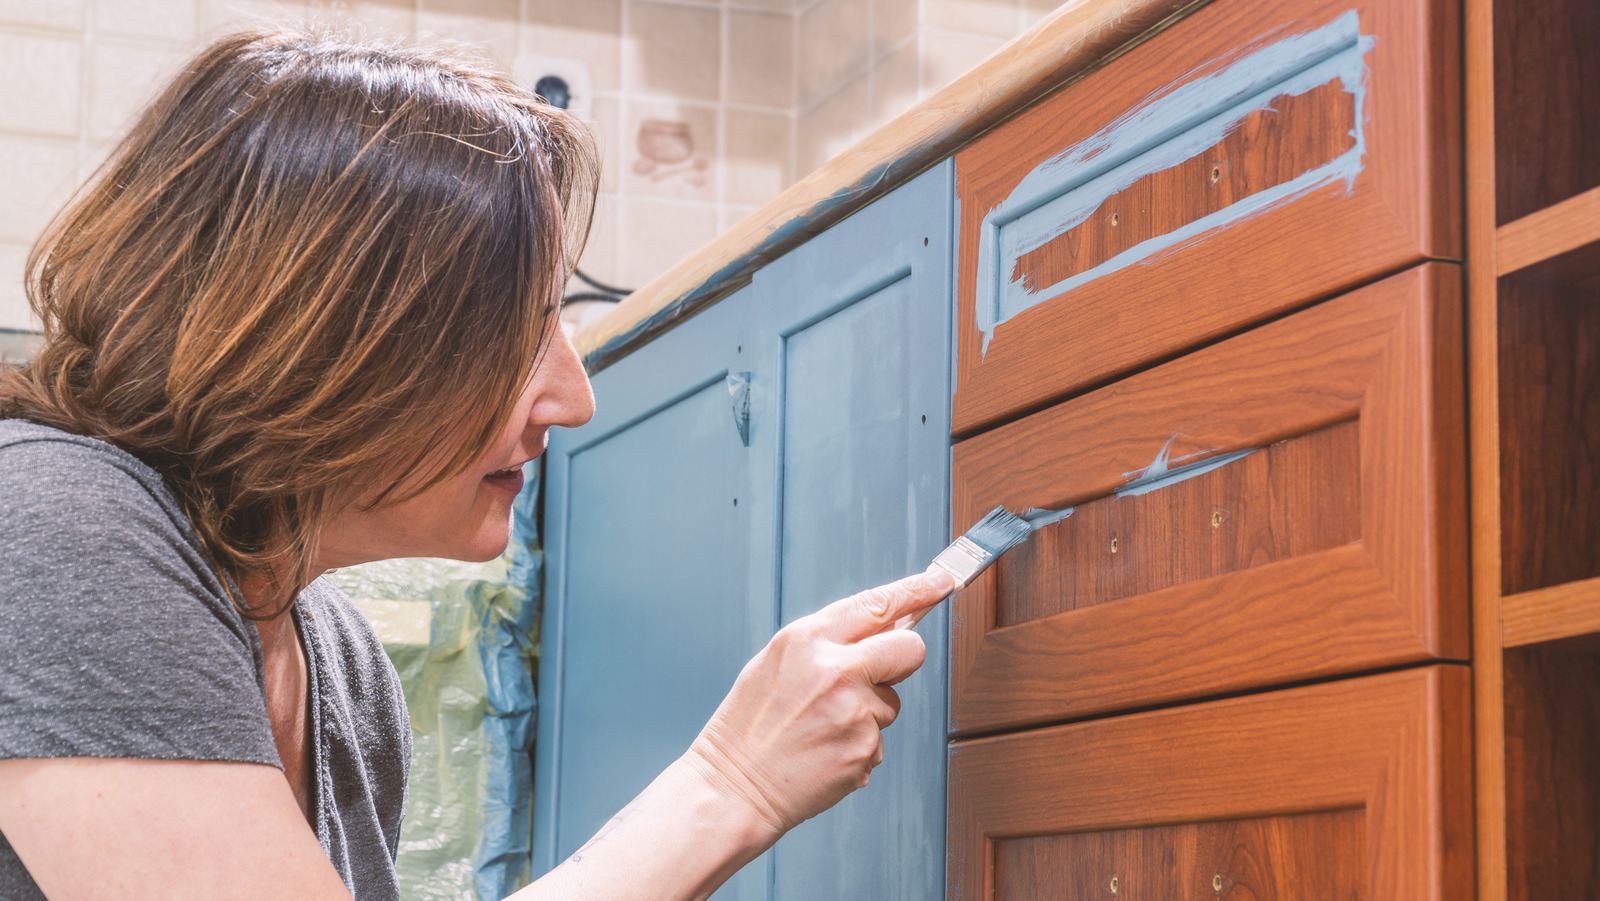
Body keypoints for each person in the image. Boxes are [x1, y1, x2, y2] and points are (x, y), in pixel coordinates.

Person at [0, 29, 952, 901]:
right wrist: (731, 783)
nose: (574, 399)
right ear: (318, 335)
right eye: (520, 332)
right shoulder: (54, 525)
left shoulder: (347, 674)